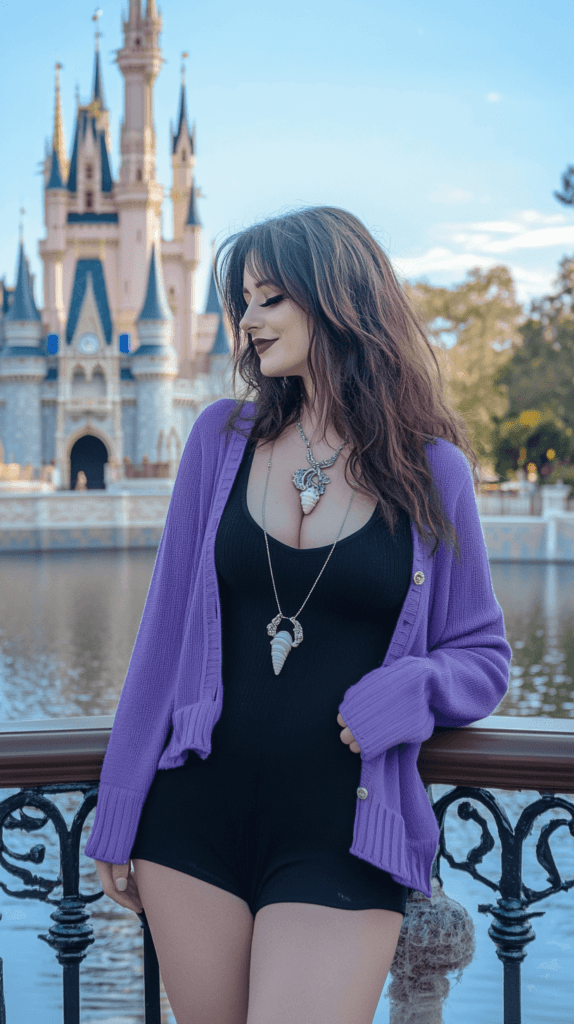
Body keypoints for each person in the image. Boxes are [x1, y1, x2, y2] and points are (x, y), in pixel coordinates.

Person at [84, 205, 512, 1024]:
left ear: (337, 301)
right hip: (193, 821)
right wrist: (118, 806)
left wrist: (417, 688)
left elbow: (484, 654)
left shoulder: (432, 474)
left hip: (343, 830)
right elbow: (163, 636)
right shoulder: (220, 440)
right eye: (243, 301)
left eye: (269, 298)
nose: (246, 321)